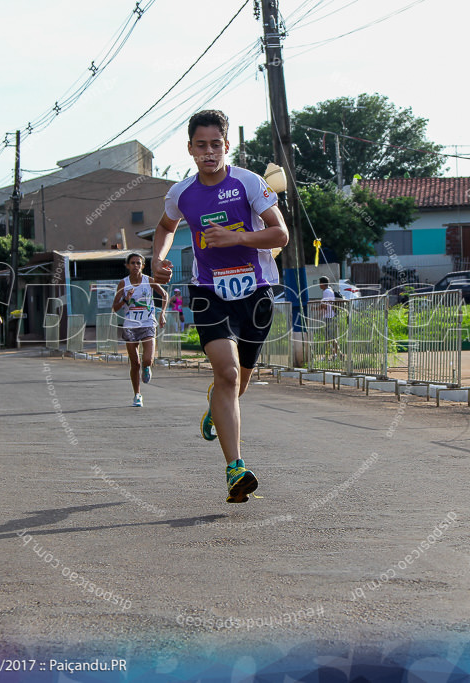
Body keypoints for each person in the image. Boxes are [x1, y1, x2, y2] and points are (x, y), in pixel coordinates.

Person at [151, 109, 289, 504]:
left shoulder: (249, 183)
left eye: (216, 145)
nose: (209, 152)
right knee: (226, 374)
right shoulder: (182, 194)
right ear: (191, 149)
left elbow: (280, 232)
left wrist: (236, 239)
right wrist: (158, 258)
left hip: (255, 291)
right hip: (207, 291)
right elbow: (165, 227)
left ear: (226, 146)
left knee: (238, 382)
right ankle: (235, 469)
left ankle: (216, 408)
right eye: (201, 145)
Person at [112, 252, 167, 408]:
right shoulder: (123, 284)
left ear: (143, 266)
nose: (136, 266)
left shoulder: (148, 281)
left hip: (148, 323)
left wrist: (162, 313)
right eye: (133, 263)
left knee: (147, 359)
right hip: (130, 326)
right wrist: (125, 299)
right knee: (134, 363)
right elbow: (114, 308)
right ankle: (137, 394)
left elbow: (164, 294)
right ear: (127, 266)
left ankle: (147, 367)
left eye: (139, 263)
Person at [317, 276, 341, 359]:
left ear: (323, 284)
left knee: (329, 337)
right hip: (331, 315)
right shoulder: (330, 290)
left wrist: (315, 308)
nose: (319, 285)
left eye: (320, 283)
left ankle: (332, 355)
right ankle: (336, 354)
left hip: (328, 316)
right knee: (330, 337)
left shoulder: (326, 292)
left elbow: (325, 305)